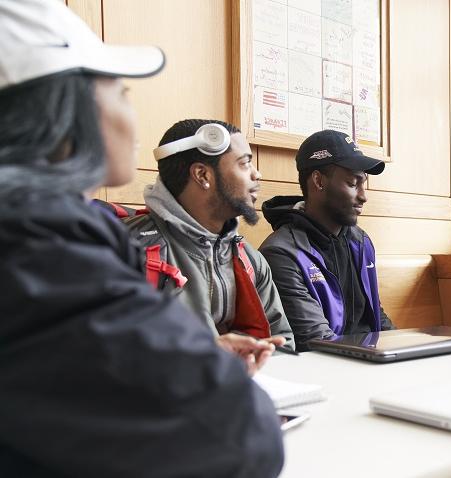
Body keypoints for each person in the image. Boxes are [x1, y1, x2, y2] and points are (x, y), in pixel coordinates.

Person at [0, 1, 284, 475]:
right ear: (67, 112)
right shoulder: (43, 247)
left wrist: (195, 355)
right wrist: (191, 366)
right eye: (121, 93)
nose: (133, 119)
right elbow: (236, 435)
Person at [119, 118, 295, 351]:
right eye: (244, 164)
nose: (257, 174)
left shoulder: (250, 260)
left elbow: (282, 343)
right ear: (202, 175)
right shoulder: (128, 251)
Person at [259, 130, 394, 351]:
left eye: (364, 183)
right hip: (323, 372)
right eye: (353, 183)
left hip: (367, 365)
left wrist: (405, 353)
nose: (363, 196)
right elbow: (316, 341)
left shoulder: (360, 242)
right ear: (319, 181)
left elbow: (375, 317)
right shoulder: (282, 253)